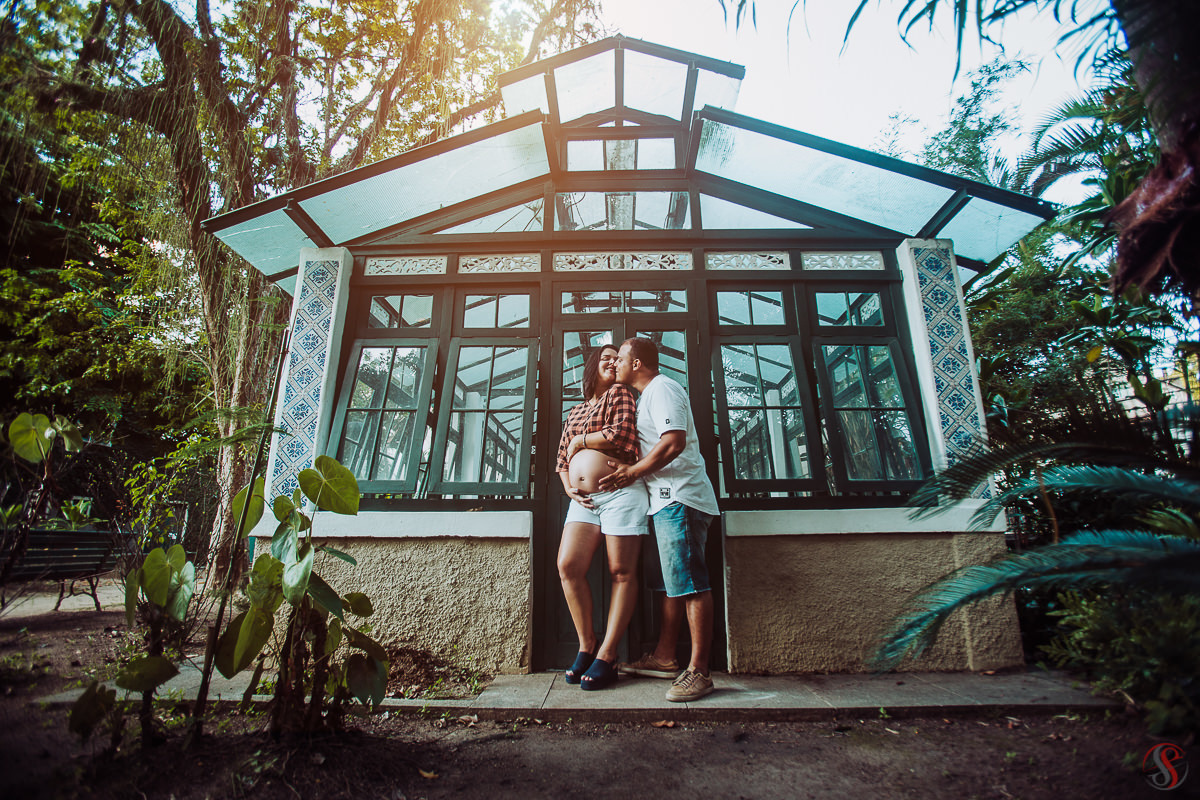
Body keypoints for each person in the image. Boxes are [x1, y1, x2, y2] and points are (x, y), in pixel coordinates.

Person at [598, 337, 720, 702]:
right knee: (675, 583)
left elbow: (673, 443)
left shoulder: (663, 388)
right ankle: (666, 657)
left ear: (637, 363)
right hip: (666, 502)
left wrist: (632, 472)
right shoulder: (645, 397)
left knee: (691, 582)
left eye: (620, 358)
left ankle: (700, 671)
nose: (615, 363)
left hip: (681, 499)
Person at [555, 343, 648, 691]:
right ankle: (587, 644)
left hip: (620, 493)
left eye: (617, 359)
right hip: (583, 501)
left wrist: (581, 442)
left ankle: (608, 656)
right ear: (592, 367)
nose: (612, 363)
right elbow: (561, 459)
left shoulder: (620, 393)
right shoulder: (576, 411)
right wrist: (568, 486)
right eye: (605, 359)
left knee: (621, 571)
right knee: (568, 566)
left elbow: (622, 432)